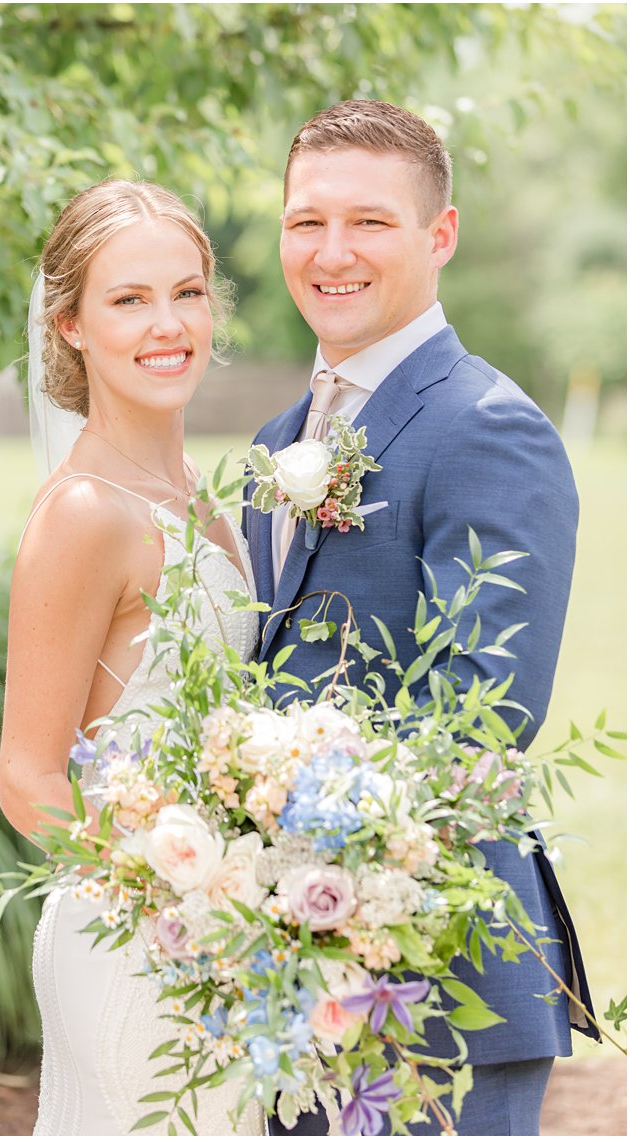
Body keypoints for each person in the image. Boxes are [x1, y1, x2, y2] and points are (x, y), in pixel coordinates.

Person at [246, 99, 597, 1135]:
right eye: (304, 221)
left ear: (438, 235)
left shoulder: (486, 428)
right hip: (281, 957)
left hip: (433, 977)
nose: (329, 251)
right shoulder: (279, 433)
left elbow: (478, 714)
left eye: (368, 222)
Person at [0, 182, 263, 1136]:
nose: (168, 323)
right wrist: (187, 886)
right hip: (140, 943)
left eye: (187, 293)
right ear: (69, 324)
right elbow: (27, 779)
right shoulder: (85, 513)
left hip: (224, 944)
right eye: (128, 299)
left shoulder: (196, 489)